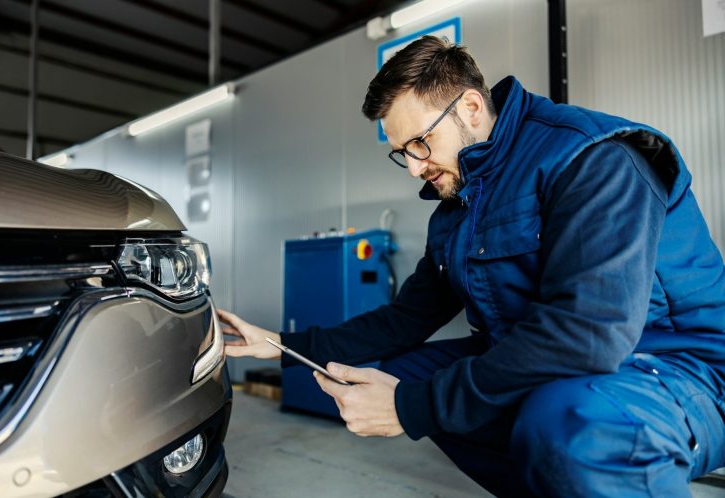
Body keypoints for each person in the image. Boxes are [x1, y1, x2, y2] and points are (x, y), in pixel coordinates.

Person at [219, 35, 725, 497]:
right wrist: (279, 345)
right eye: (402, 154)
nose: (415, 166)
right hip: (571, 362)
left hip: (680, 366)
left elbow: (586, 335)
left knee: (572, 427)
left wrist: (411, 407)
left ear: (472, 107)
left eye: (420, 144)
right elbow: (404, 319)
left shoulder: (592, 159)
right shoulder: (459, 208)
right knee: (399, 373)